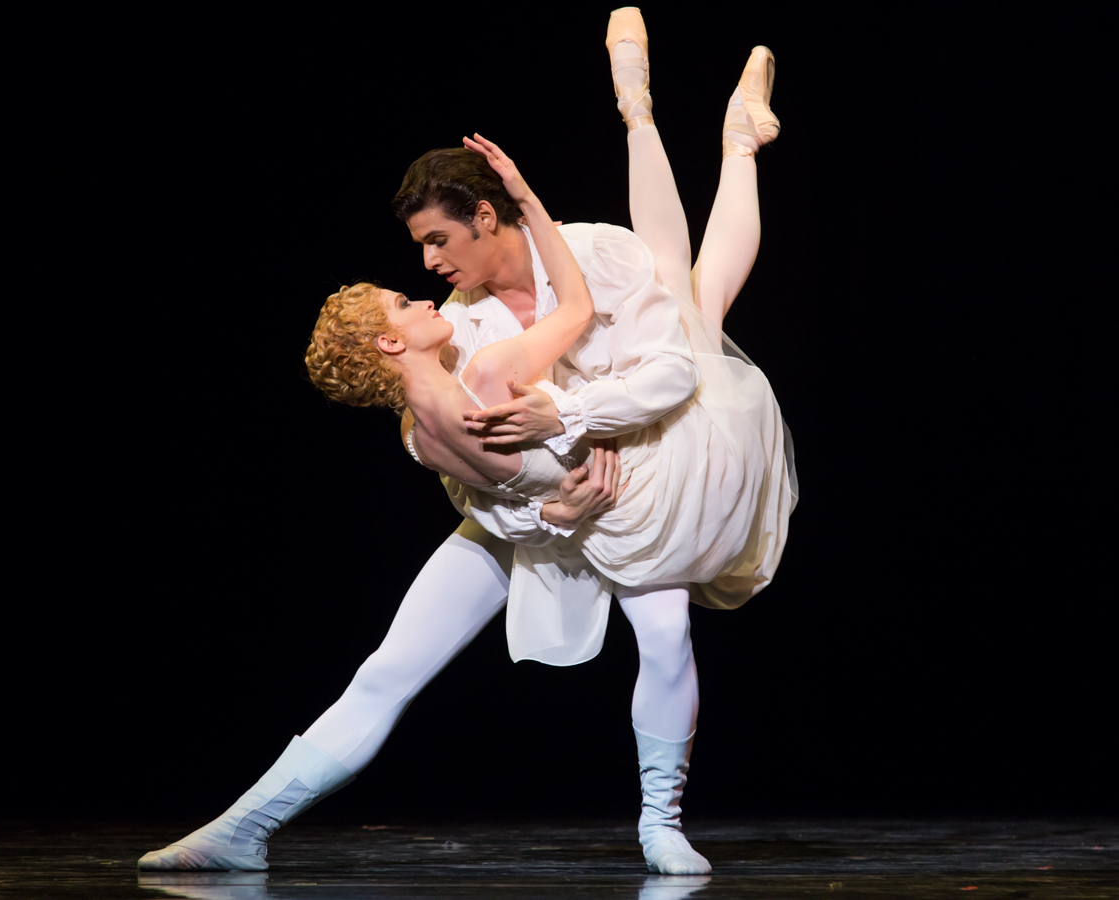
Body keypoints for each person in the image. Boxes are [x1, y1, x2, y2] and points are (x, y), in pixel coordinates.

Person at [139, 8, 791, 877]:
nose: (429, 268)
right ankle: (242, 827)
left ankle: (659, 821)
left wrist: (569, 421)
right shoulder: (459, 333)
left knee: (690, 308)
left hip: (642, 472)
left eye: (438, 240)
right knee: (390, 664)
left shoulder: (594, 252)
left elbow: (665, 373)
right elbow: (477, 478)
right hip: (549, 505)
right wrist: (555, 510)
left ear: (484, 217)